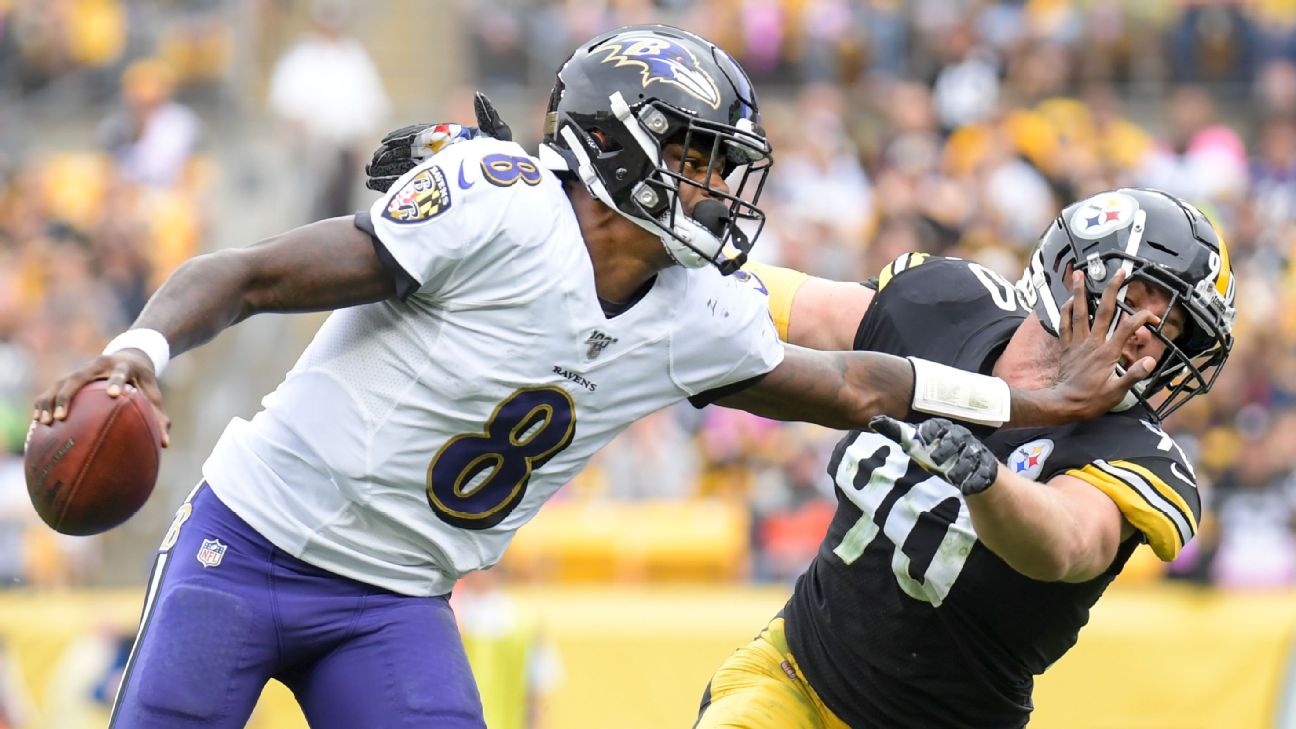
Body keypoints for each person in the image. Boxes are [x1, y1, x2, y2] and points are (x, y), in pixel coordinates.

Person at [33, 26, 1145, 729]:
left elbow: (856, 387)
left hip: (391, 603)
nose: (717, 189)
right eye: (697, 158)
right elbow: (253, 272)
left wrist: (1029, 402)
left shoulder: (697, 310)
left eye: (724, 165)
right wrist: (141, 351)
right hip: (250, 542)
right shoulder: (498, 202)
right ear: (618, 147)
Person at [692, 189, 1236, 728]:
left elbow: (1067, 543)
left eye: (1171, 328)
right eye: (1136, 298)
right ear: (1072, 270)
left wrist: (989, 484)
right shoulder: (945, 305)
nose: (1148, 337)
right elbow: (764, 301)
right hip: (795, 674)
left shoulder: (1138, 453)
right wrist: (670, 260)